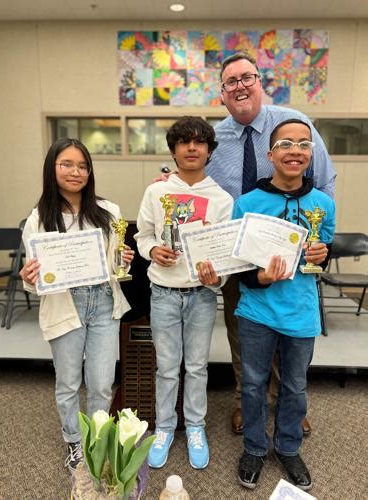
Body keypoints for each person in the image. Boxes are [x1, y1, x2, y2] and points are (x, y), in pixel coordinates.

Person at [206, 52, 336, 435]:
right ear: (223, 94)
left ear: (261, 82)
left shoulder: (294, 126)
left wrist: (319, 241)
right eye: (231, 81)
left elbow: (325, 181)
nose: (241, 86)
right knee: (241, 330)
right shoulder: (215, 137)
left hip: (291, 250)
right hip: (238, 253)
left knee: (288, 331)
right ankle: (248, 404)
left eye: (248, 77)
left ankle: (286, 403)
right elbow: (193, 177)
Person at [19, 138, 134, 472]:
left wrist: (122, 258)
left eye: (83, 166)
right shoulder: (38, 219)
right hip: (64, 303)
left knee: (100, 382)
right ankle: (73, 440)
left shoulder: (108, 211)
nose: (76, 172)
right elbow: (36, 279)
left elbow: (115, 265)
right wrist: (29, 276)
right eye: (66, 164)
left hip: (103, 302)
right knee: (68, 382)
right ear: (52, 168)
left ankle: (96, 440)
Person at [233, 118, 335, 490]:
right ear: (270, 154)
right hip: (257, 311)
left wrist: (323, 255)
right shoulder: (247, 203)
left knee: (295, 386)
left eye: (304, 144)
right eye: (287, 144)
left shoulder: (323, 204)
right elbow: (239, 267)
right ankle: (255, 448)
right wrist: (262, 277)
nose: (296, 151)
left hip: (301, 313)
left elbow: (319, 257)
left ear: (311, 154)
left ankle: (288, 447)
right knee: (253, 385)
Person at [135, 116, 233, 470]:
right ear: (174, 149)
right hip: (163, 292)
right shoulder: (156, 191)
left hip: (201, 296)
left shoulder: (221, 199)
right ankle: (164, 427)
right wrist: (151, 251)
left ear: (209, 150)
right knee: (166, 368)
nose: (192, 148)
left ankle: (195, 427)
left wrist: (214, 278)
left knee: (196, 367)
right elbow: (143, 235)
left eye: (200, 142)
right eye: (184, 142)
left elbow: (225, 254)